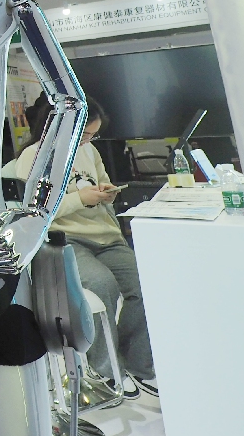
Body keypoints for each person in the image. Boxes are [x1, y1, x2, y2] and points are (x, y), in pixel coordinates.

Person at [15, 98, 157, 396]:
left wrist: (106, 193)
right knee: (103, 286)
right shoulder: (34, 157)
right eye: (85, 135)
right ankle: (107, 368)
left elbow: (102, 184)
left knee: (148, 285)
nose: (88, 142)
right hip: (64, 239)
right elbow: (36, 212)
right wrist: (82, 199)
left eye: (93, 136)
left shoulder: (89, 151)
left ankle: (137, 363)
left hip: (106, 237)